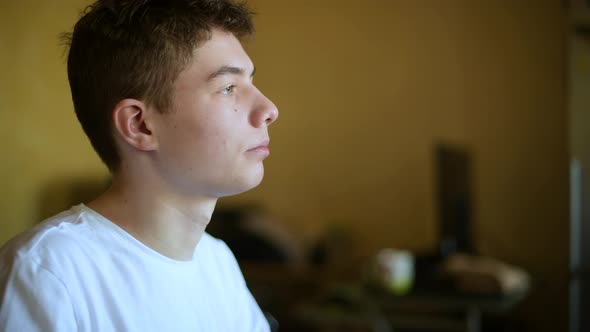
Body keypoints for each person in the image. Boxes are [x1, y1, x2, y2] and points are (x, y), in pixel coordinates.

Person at [0, 0, 278, 330]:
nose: (269, 109)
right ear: (140, 125)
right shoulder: (48, 272)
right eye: (229, 87)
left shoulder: (216, 261)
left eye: (251, 82)